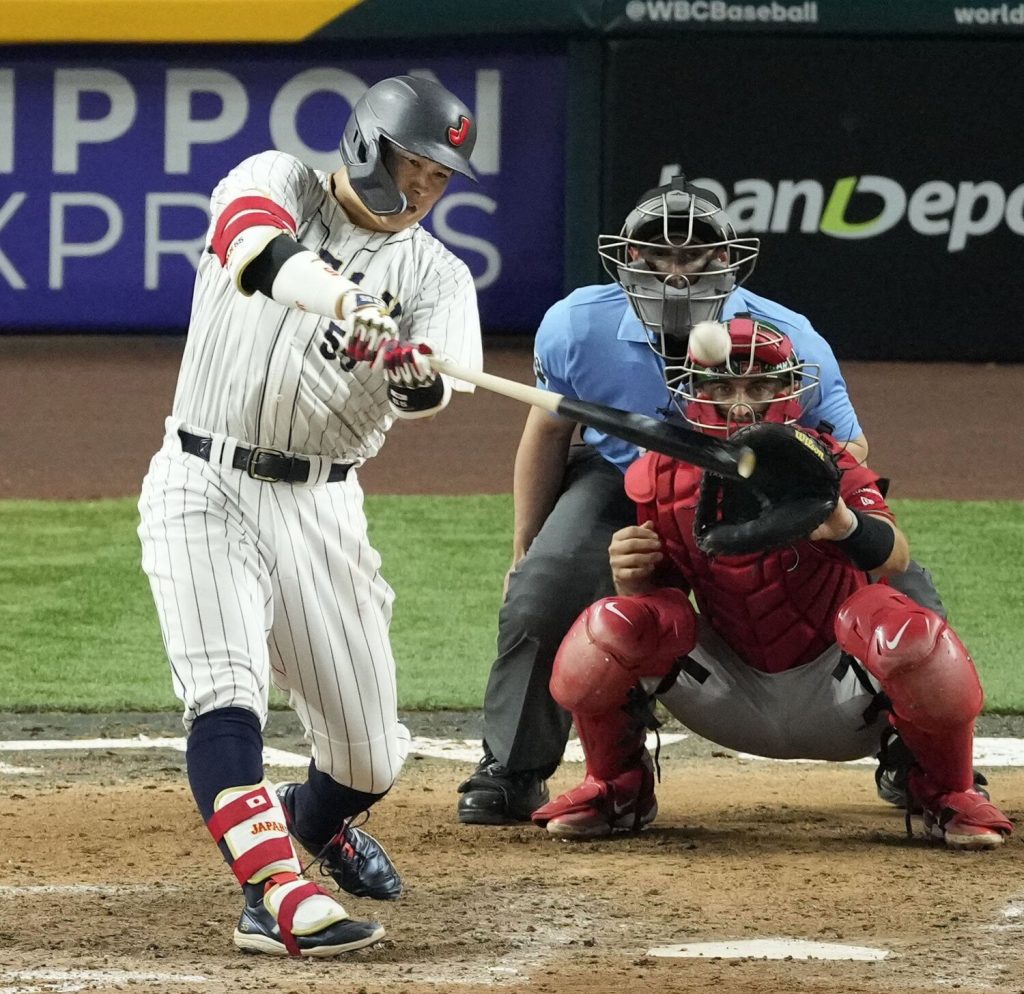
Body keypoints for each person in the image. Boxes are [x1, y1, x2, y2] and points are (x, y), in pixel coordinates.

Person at [456, 176, 946, 825]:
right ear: (626, 258)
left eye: (694, 257)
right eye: (657, 256)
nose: (675, 274)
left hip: (756, 483)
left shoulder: (789, 336)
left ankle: (927, 762)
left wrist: (794, 498)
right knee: (545, 587)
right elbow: (549, 428)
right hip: (624, 477)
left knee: (902, 580)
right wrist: (525, 545)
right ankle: (514, 767)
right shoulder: (576, 324)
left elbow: (850, 447)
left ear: (727, 261)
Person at [137, 75, 483, 957]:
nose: (424, 189)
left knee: (371, 757)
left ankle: (311, 823)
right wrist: (345, 301)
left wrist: (413, 373)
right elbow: (256, 250)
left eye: (441, 177)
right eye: (414, 165)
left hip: (323, 509)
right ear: (369, 148)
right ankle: (272, 894)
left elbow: (437, 383)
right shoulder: (275, 178)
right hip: (202, 480)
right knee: (226, 687)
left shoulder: (439, 276)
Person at [530, 316, 1012, 850]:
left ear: (788, 391)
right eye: (723, 386)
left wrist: (842, 523)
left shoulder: (828, 461)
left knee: (905, 630)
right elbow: (658, 608)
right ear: (694, 391)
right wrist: (631, 575)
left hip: (843, 700)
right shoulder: (660, 473)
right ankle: (615, 788)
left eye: (759, 386)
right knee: (609, 625)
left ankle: (947, 792)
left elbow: (895, 557)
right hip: (727, 694)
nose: (741, 403)